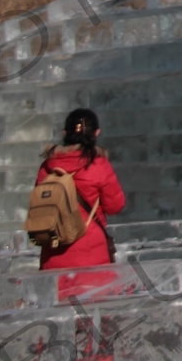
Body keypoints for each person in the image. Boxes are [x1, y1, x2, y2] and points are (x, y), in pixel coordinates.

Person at [35, 108, 125, 272]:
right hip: (91, 250)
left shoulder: (47, 166)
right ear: (96, 133)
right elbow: (115, 206)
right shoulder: (99, 165)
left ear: (65, 132)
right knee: (92, 294)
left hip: (54, 248)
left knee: (58, 295)